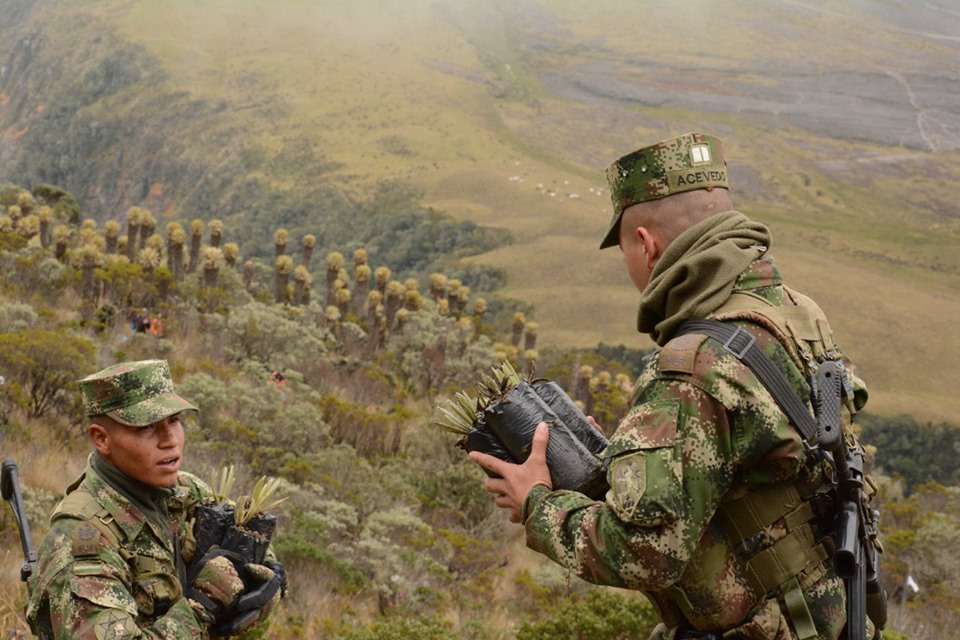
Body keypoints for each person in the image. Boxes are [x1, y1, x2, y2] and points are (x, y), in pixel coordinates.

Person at [470, 133, 879, 639]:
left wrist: (536, 502)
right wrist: (624, 462)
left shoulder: (692, 370)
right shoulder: (796, 311)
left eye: (624, 250)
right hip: (827, 616)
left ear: (646, 244)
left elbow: (645, 556)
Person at [26, 359, 284, 639]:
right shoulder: (80, 543)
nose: (170, 439)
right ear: (101, 439)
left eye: (174, 420)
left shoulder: (188, 492)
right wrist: (203, 606)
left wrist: (268, 577)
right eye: (147, 427)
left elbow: (247, 542)